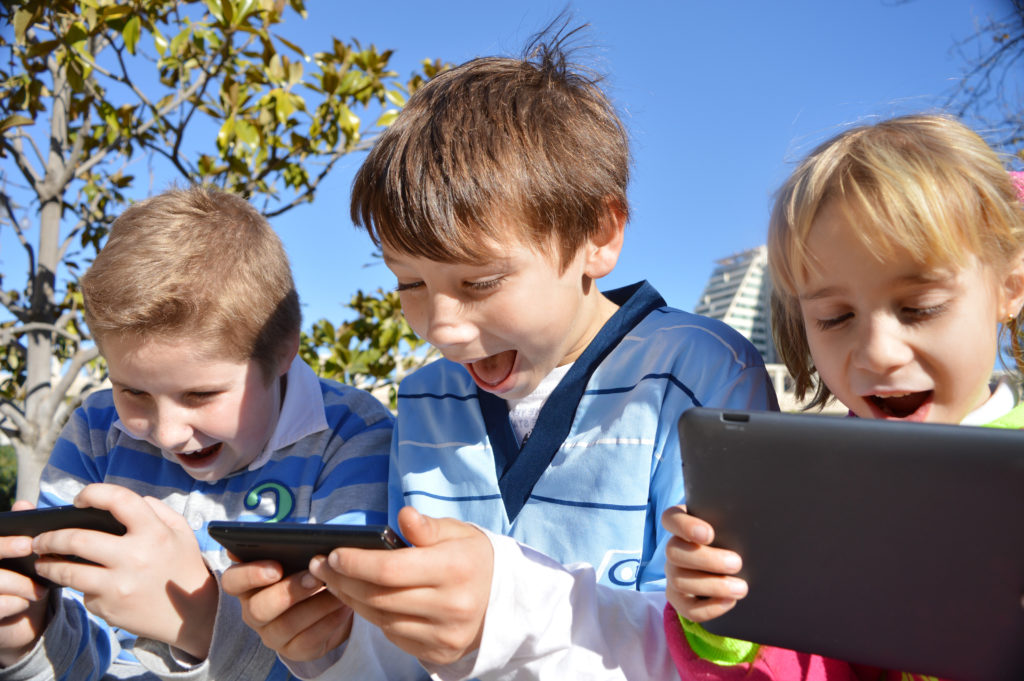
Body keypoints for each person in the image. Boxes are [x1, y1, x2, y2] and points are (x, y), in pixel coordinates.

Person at [222, 24, 778, 680]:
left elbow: (722, 653)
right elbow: (416, 657)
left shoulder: (701, 376)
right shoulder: (427, 400)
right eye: (410, 284)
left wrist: (507, 607)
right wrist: (337, 646)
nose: (443, 327)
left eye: (480, 281)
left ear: (599, 233)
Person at [662, 114, 1024, 679]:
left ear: (1010, 288)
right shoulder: (797, 490)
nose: (878, 352)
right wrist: (721, 616)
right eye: (835, 318)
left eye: (919, 307)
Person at [0, 186, 393, 680]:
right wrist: (26, 639)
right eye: (133, 393)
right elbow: (79, 658)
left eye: (201, 395)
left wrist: (201, 621)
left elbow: (360, 663)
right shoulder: (97, 433)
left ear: (284, 350)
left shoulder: (353, 440)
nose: (166, 433)